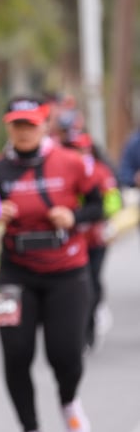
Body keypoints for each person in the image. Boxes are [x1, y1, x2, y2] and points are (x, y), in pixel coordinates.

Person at [0, 96, 103, 432]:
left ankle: (69, 400)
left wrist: (75, 215)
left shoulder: (72, 162)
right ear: (9, 126)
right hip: (12, 273)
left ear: (45, 125)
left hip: (67, 273)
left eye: (31, 124)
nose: (24, 131)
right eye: (17, 124)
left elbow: (108, 201)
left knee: (66, 354)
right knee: (15, 353)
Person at [62, 129, 121, 349]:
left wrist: (102, 218)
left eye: (81, 148)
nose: (77, 153)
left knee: (92, 281)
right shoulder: (58, 172)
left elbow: (113, 202)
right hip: (70, 240)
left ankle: (90, 325)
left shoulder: (101, 172)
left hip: (96, 239)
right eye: (72, 148)